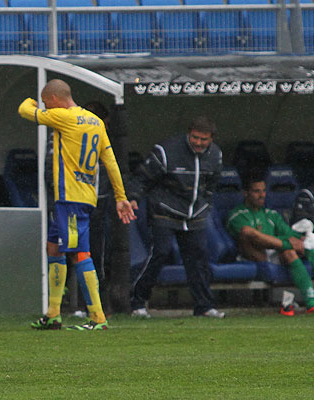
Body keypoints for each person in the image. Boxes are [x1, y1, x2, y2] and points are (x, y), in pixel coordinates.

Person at [18, 79, 135, 331]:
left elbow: (24, 110)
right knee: (54, 248)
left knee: (79, 253)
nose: (47, 108)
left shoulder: (64, 116)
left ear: (56, 99)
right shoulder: (96, 123)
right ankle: (53, 314)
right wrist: (120, 196)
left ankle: (97, 317)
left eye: (47, 103)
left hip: (69, 198)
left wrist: (33, 102)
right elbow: (111, 162)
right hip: (82, 196)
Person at [127, 116, 225, 318]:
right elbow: (142, 177)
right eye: (195, 138)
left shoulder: (216, 155)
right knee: (160, 253)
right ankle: (137, 302)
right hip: (164, 210)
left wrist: (205, 204)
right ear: (188, 134)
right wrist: (133, 197)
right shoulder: (165, 151)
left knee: (198, 258)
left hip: (195, 214)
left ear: (211, 139)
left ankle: (204, 306)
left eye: (203, 139)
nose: (198, 143)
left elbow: (213, 183)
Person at [227, 172, 314, 316]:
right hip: (252, 255)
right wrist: (286, 243)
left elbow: (290, 234)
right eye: (256, 191)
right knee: (248, 232)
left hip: (275, 252)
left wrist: (301, 240)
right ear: (245, 193)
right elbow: (249, 235)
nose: (262, 195)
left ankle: (311, 303)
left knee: (293, 250)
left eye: (263, 190)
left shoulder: (271, 214)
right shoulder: (238, 214)